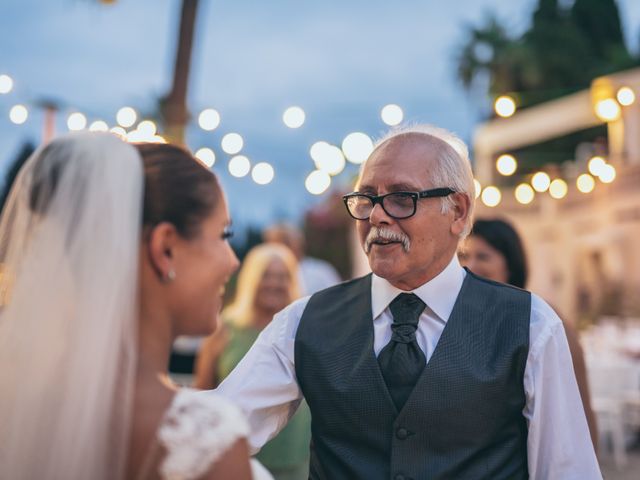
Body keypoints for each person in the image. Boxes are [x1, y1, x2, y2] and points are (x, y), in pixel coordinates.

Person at [215, 125, 601, 479]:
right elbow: (212, 439)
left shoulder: (530, 325)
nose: (377, 215)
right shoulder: (303, 321)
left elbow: (566, 470)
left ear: (458, 210)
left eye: (401, 198)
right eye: (366, 198)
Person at [0, 133, 272, 480]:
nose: (233, 262)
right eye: (223, 235)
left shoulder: (20, 403)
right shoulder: (200, 440)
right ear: (165, 248)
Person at [459, 218, 599, 449]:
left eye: (482, 256)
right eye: (464, 256)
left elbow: (577, 406)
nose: (470, 266)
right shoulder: (460, 319)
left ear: (510, 264)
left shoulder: (540, 319)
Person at [195, 243, 311, 480]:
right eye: (266, 275)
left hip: (297, 461)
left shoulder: (307, 329)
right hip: (239, 462)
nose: (274, 283)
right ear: (251, 279)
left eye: (283, 276)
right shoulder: (225, 328)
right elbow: (203, 389)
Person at [263, 223, 341, 295]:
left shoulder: (320, 272)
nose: (283, 249)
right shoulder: (263, 274)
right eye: (278, 243)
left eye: (286, 242)